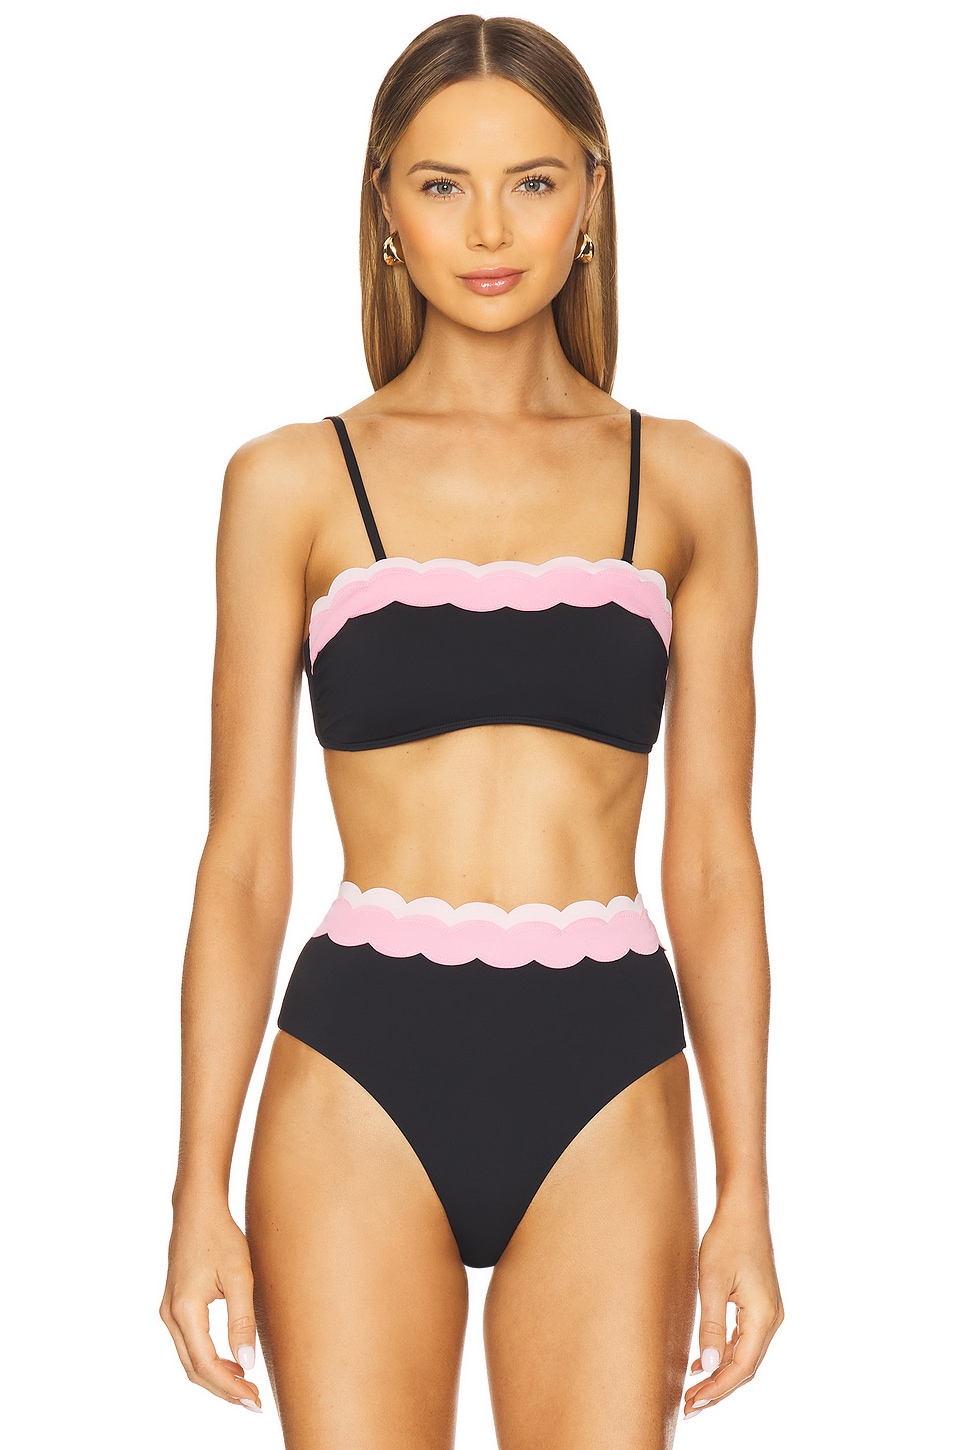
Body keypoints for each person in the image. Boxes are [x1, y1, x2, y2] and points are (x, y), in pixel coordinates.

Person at [160, 14, 783, 1445]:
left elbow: (713, 859)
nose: (489, 230)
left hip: (609, 1064)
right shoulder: (291, 483)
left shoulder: (690, 482)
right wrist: (197, 1187)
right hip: (357, 1069)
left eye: (532, 182)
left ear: (592, 194)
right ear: (385, 203)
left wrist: (747, 1187)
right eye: (443, 184)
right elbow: (243, 861)